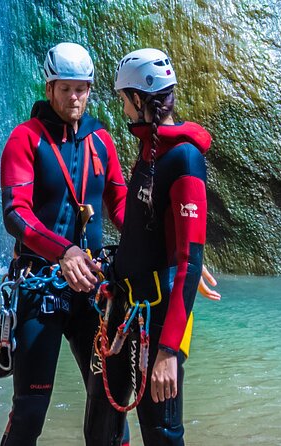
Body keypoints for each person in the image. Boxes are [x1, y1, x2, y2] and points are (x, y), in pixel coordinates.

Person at [0, 41, 128, 445]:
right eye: (66, 88)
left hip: (91, 289)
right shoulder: (25, 139)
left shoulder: (102, 141)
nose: (75, 98)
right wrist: (63, 251)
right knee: (30, 410)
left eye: (82, 89)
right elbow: (15, 214)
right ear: (50, 87)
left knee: (111, 399)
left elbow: (121, 204)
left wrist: (172, 245)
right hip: (40, 286)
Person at [85, 48, 212, 445]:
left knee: (161, 433)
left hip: (158, 321)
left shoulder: (185, 160)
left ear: (140, 100)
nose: (122, 108)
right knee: (101, 423)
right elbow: (149, 229)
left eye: (124, 99)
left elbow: (190, 262)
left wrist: (169, 351)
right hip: (126, 308)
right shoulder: (152, 148)